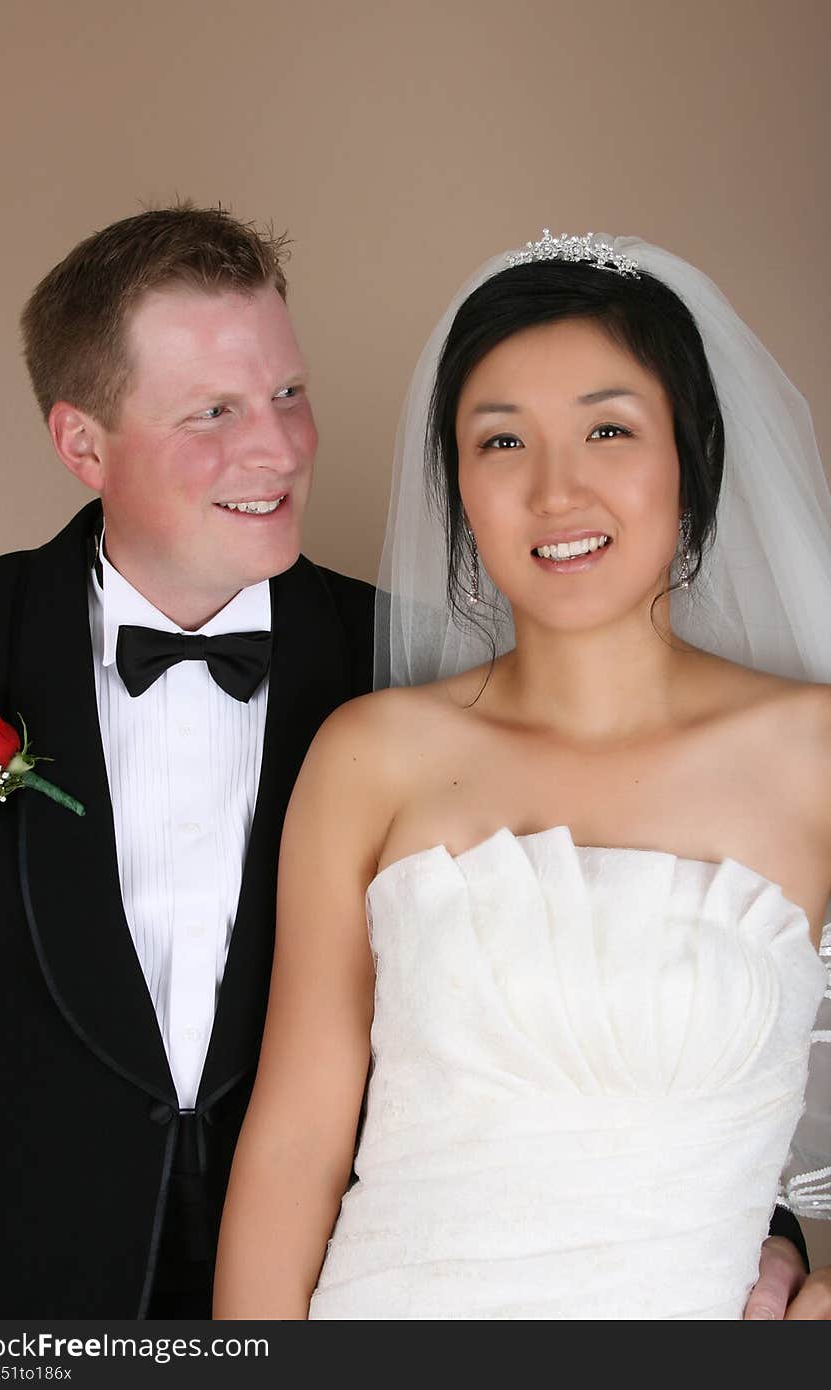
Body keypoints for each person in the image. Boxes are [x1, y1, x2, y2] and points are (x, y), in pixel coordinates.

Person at [213, 232, 831, 1319]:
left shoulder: (811, 753)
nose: (556, 489)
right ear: (457, 483)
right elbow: (295, 1143)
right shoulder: (370, 755)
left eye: (607, 428)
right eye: (502, 442)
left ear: (689, 455)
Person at [0, 204, 374, 1318]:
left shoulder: (417, 662)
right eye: (214, 411)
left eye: (287, 392)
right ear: (82, 443)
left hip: (342, 1288)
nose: (278, 448)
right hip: (6, 1297)